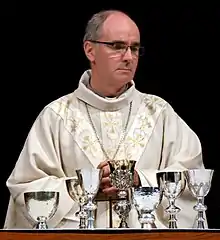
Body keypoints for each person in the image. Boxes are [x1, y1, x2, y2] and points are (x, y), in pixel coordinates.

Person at [4, 9, 206, 229]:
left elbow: (191, 179)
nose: (129, 57)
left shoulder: (159, 113)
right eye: (117, 46)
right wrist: (85, 187)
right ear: (90, 50)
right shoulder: (56, 116)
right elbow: (25, 188)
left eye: (135, 48)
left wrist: (140, 180)